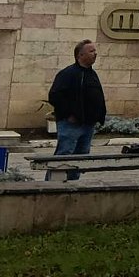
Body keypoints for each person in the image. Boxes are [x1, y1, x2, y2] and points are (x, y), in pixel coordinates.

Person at [47, 39, 106, 181]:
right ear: (80, 55)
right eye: (91, 51)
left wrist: (99, 115)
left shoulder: (92, 74)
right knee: (64, 155)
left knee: (80, 158)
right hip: (71, 124)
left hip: (88, 124)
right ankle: (52, 185)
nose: (95, 54)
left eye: (95, 51)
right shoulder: (68, 73)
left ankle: (73, 185)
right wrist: (69, 114)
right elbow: (55, 96)